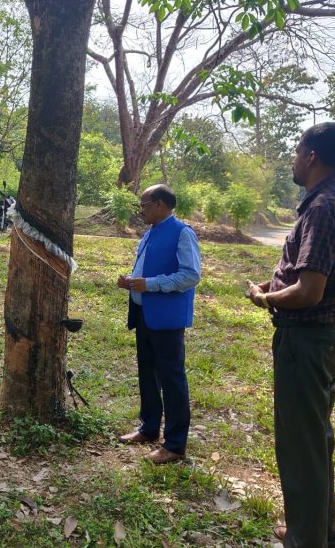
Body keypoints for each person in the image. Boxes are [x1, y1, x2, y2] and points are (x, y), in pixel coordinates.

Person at [245, 122, 335, 547]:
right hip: (328, 339)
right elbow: (309, 272)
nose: (294, 160)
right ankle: (314, 531)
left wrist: (266, 300)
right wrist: (272, 283)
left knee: (301, 448)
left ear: (312, 156)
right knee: (315, 442)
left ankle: (306, 540)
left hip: (308, 341)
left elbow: (309, 291)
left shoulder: (323, 207)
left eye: (297, 151)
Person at [117, 184, 201, 464]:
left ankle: (175, 444)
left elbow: (190, 275)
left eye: (144, 204)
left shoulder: (182, 233)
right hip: (144, 314)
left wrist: (150, 285)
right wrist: (131, 281)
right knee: (147, 373)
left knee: (172, 379)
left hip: (166, 318)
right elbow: (146, 269)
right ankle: (149, 427)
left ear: (161, 204)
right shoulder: (150, 231)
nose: (140, 209)